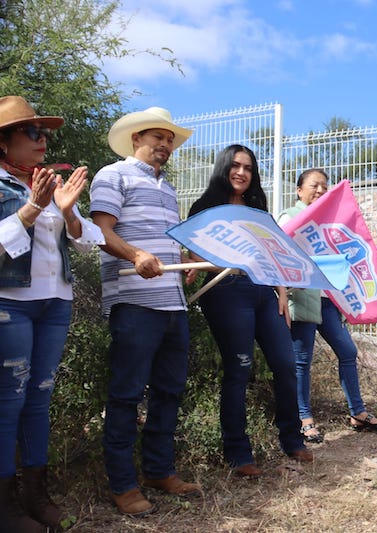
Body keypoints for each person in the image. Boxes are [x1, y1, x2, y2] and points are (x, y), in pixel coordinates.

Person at [89, 107, 199, 517]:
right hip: (134, 302)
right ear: (137, 138)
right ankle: (122, 485)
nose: (165, 145)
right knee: (127, 394)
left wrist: (183, 255)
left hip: (173, 303)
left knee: (169, 391)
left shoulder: (167, 188)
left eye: (170, 139)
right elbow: (101, 231)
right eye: (158, 137)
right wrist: (136, 255)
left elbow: (163, 237)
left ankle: (158, 470)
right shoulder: (112, 175)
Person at [0, 96, 103, 532]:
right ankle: (5, 505)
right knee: (9, 402)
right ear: (4, 143)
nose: (44, 140)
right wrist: (30, 208)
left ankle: (35, 493)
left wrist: (67, 212)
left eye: (45, 133)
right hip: (11, 304)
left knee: (39, 399)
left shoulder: (48, 183)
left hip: (55, 302)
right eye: (33, 132)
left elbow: (86, 242)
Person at [187, 145, 312, 477]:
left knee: (285, 365)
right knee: (238, 369)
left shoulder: (258, 207)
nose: (242, 172)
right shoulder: (204, 208)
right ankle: (239, 454)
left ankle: (292, 439)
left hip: (263, 290)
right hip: (225, 292)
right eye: (236, 166)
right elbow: (194, 256)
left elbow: (272, 252)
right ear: (224, 168)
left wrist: (282, 293)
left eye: (248, 168)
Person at [278, 168, 377, 444]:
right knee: (302, 361)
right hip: (302, 298)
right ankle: (304, 419)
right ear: (299, 190)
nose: (319, 190)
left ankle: (358, 412)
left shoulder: (327, 220)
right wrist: (282, 293)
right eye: (314, 185)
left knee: (347, 350)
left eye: (324, 187)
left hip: (328, 301)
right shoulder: (289, 216)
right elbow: (280, 255)